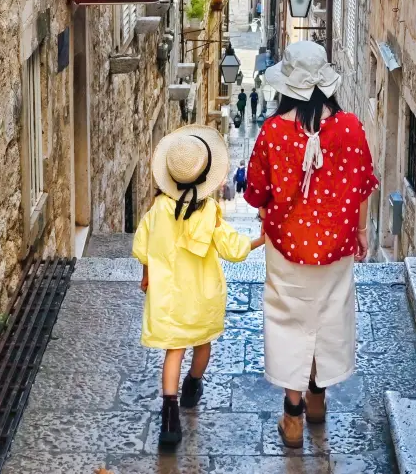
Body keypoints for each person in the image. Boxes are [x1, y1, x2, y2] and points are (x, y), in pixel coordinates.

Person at [244, 41, 377, 449]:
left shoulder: (272, 133)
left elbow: (256, 192)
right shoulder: (351, 127)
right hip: (336, 247)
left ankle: (294, 415)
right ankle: (318, 400)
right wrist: (361, 233)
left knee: (289, 323)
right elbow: (362, 187)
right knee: (328, 318)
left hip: (287, 247)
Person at [133, 126, 265, 448]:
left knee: (173, 351)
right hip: (203, 296)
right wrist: (262, 239)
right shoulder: (209, 213)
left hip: (168, 295)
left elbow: (142, 246)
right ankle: (193, 385)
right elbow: (233, 249)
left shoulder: (158, 210)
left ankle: (169, 419)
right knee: (202, 344)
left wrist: (147, 273)